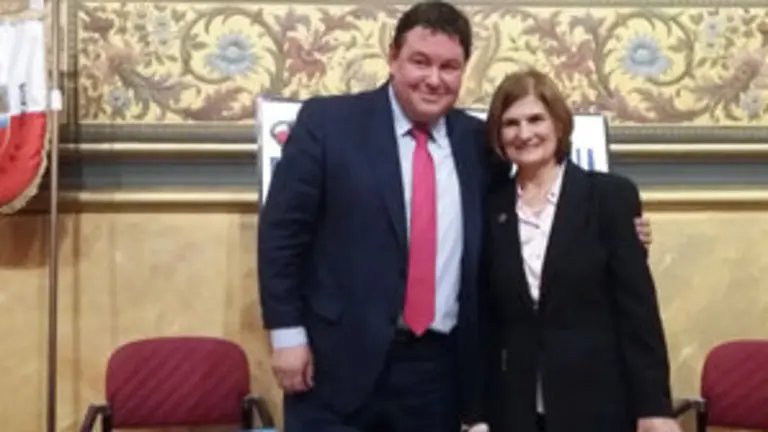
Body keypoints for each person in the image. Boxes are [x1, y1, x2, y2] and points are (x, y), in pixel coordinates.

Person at [258, 2, 653, 431]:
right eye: (420, 62)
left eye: (449, 66)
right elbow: (282, 234)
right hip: (334, 362)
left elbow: (524, 228)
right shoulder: (328, 123)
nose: (433, 78)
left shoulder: (477, 145)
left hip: (438, 372)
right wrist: (287, 333)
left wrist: (621, 235)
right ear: (392, 57)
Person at [473, 68, 680, 432]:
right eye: (511, 123)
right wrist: (476, 415)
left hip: (597, 405)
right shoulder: (490, 208)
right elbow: (485, 321)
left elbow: (638, 314)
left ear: (558, 123)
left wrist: (654, 408)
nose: (524, 134)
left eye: (536, 119)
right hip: (514, 410)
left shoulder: (609, 198)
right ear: (498, 134)